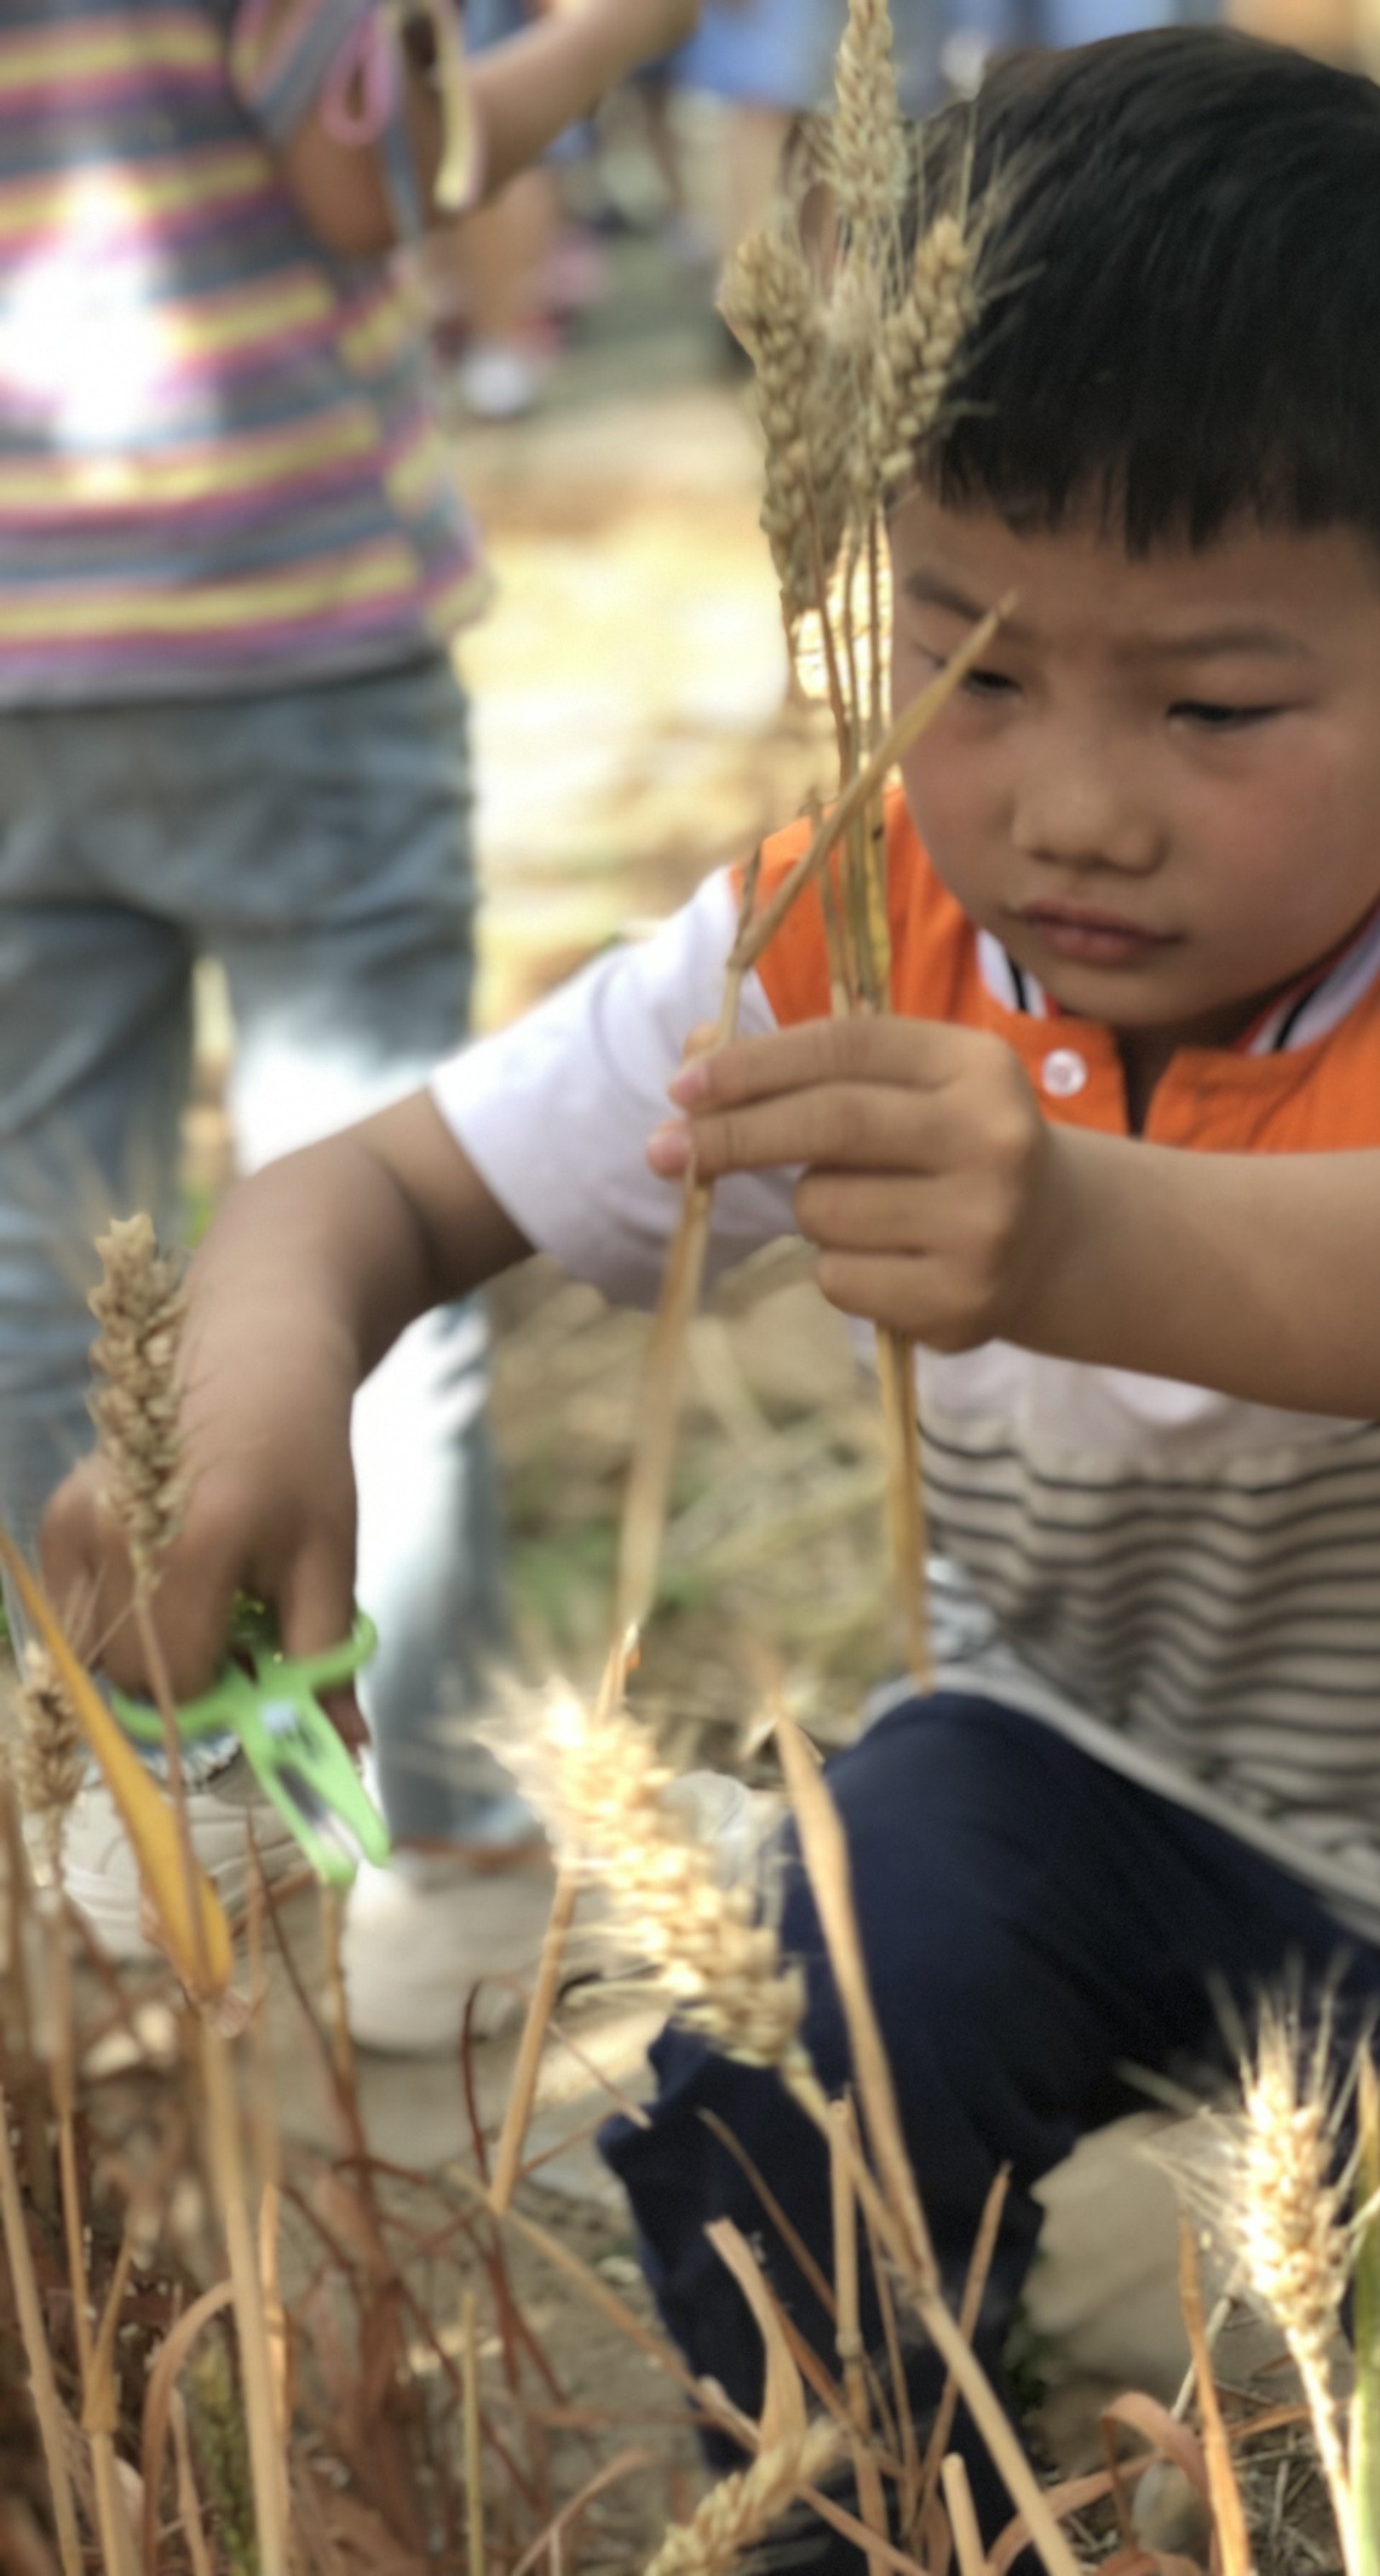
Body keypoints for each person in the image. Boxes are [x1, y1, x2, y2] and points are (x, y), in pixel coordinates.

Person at [42, 25, 1380, 2536]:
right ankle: (870, 2505)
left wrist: (1080, 1235)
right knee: (793, 2045)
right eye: (964, 655)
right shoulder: (853, 922)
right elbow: (373, 1191)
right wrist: (263, 1352)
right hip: (1056, 1786)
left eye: (1213, 702)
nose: (1069, 804)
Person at [2, 0, 697, 2028]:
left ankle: (120, 1814)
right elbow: (370, 169)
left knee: (51, 1259)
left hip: (21, 636)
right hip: (283, 623)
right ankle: (433, 1837)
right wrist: (611, 39)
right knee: (381, 1211)